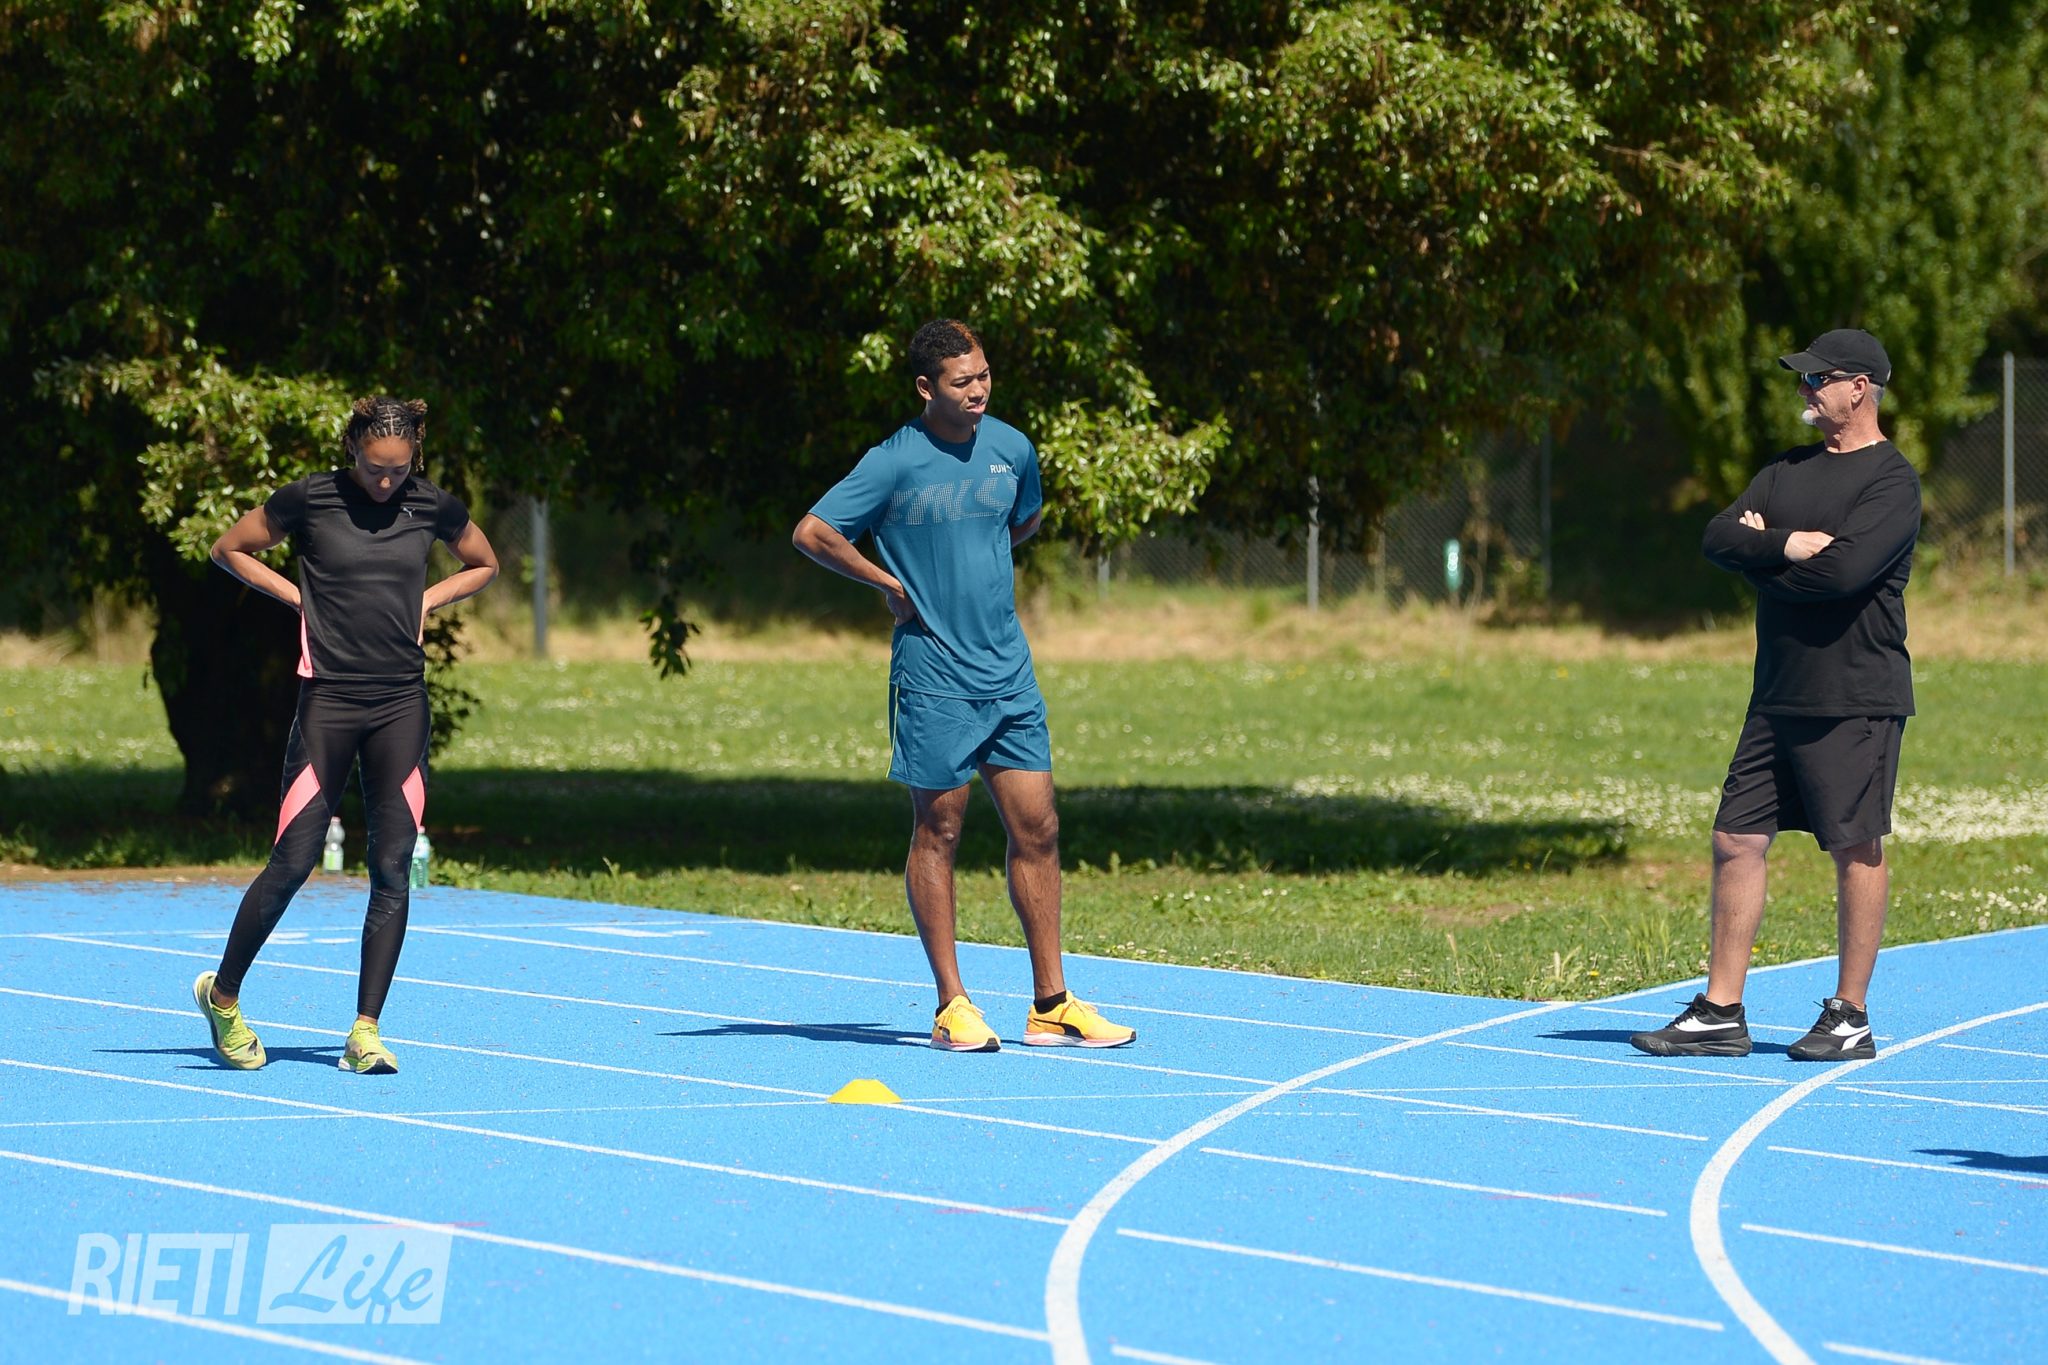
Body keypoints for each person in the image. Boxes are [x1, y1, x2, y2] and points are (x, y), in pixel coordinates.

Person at [792, 319, 1135, 1052]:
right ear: (927, 388)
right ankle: (953, 1004)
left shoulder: (1013, 448)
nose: (978, 390)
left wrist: (971, 558)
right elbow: (814, 532)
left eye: (983, 375)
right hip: (934, 675)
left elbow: (1021, 521)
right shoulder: (892, 461)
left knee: (1038, 828)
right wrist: (889, 582)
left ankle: (1051, 1004)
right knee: (939, 830)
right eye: (961, 381)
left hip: (1008, 670)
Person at [1633, 329, 1919, 1062]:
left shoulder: (1892, 482)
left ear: (1859, 388)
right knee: (1736, 837)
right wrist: (1785, 546)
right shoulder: (1785, 470)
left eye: (1818, 379)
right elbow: (1717, 537)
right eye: (1803, 378)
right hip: (1778, 694)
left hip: (1854, 694)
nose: (1804, 389)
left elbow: (1842, 576)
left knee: (1854, 846)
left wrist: (1757, 556)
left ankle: (1849, 1016)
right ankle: (1721, 1010)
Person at [193, 396, 498, 1075]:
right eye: (373, 467)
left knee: (392, 866)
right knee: (295, 860)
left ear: (415, 456)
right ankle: (223, 996)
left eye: (399, 470)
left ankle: (365, 1031)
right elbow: (228, 549)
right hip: (327, 701)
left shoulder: (432, 506)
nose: (385, 481)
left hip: (401, 705)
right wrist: (297, 597)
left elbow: (484, 562)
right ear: (352, 448)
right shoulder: (309, 499)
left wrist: (428, 598)